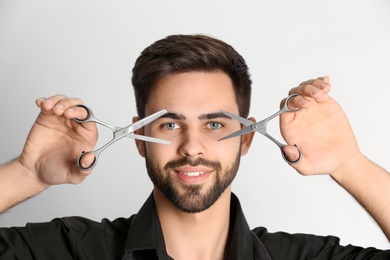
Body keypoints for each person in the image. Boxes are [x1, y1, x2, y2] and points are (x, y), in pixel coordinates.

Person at [0, 34, 389, 259]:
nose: (191, 147)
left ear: (248, 137)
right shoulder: (70, 251)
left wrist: (350, 165)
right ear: (138, 139)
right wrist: (25, 174)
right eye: (169, 124)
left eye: (215, 124)